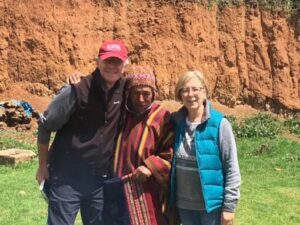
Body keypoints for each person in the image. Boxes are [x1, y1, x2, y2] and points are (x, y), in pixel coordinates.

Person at [35, 39, 129, 225]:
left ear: (125, 64)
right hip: (66, 178)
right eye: (107, 61)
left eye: (117, 62)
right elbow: (45, 126)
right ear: (97, 61)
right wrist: (42, 166)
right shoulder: (75, 90)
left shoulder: (126, 89)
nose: (112, 66)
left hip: (99, 181)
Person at [104, 65, 174, 225]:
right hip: (114, 189)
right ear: (127, 93)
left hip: (146, 191)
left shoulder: (162, 117)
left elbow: (171, 153)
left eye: (146, 93)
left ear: (154, 93)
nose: (141, 99)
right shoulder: (119, 113)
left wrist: (150, 167)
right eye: (136, 93)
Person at [169, 70, 241, 225]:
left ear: (204, 92)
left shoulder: (219, 124)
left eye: (195, 89)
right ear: (180, 94)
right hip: (184, 206)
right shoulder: (175, 122)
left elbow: (231, 167)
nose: (190, 94)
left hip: (211, 207)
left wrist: (229, 207)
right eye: (185, 90)